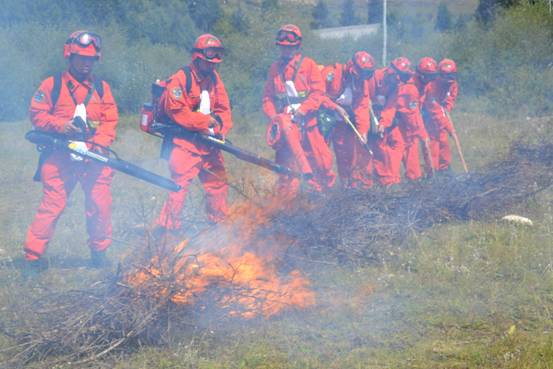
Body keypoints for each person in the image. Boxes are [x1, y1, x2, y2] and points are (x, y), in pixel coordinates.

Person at [25, 30, 118, 272]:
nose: (86, 63)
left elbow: (110, 120)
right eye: (81, 58)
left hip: (93, 156)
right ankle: (33, 258)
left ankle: (99, 253)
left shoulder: (102, 88)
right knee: (51, 205)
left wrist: (99, 145)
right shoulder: (51, 85)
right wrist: (61, 127)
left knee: (100, 204)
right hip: (60, 155)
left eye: (90, 59)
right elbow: (37, 115)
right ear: (70, 56)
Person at [154, 34, 232, 231]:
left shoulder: (215, 79)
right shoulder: (180, 78)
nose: (211, 66)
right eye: (207, 62)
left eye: (214, 63)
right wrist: (206, 122)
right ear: (196, 58)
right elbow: (178, 112)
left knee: (218, 183)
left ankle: (218, 227)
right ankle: (166, 231)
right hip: (185, 143)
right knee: (178, 187)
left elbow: (224, 108)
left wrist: (220, 129)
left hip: (210, 144)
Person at [262, 24, 335, 199]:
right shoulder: (274, 69)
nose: (286, 50)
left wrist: (302, 110)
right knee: (287, 170)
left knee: (322, 163)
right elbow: (267, 98)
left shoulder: (308, 65)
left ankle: (326, 199)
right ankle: (287, 206)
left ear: (297, 46)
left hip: (309, 124)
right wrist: (275, 119)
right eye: (283, 47)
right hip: (286, 130)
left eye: (290, 47)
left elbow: (318, 93)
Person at [321, 51, 375, 189]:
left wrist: (363, 131)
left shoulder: (362, 83)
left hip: (342, 121)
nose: (362, 77)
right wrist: (335, 107)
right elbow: (317, 95)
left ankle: (346, 186)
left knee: (346, 153)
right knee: (320, 154)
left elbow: (362, 107)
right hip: (322, 118)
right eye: (360, 73)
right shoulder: (331, 73)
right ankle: (319, 186)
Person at [421, 58, 459, 173]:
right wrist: (450, 129)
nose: (449, 80)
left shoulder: (453, 83)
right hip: (429, 116)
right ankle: (433, 171)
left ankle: (444, 169)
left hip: (441, 115)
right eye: (446, 77)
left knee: (444, 143)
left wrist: (447, 108)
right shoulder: (432, 85)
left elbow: (451, 98)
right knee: (433, 144)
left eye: (451, 76)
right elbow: (434, 109)